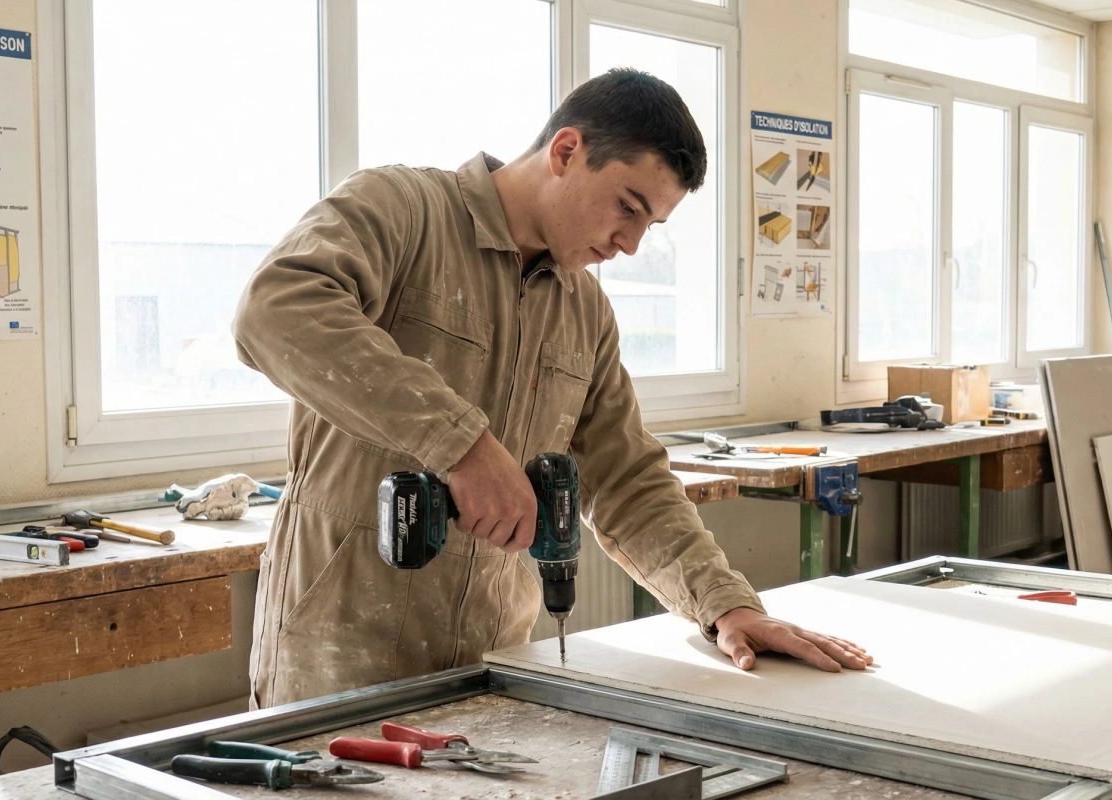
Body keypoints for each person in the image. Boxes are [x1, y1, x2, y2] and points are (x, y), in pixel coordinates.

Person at [233, 68, 872, 708]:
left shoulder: (584, 312)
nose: (629, 244)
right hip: (339, 657)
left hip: (491, 661)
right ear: (566, 151)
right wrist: (462, 446)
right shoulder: (403, 211)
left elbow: (628, 481)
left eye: (651, 225)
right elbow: (274, 311)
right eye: (627, 206)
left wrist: (724, 603)